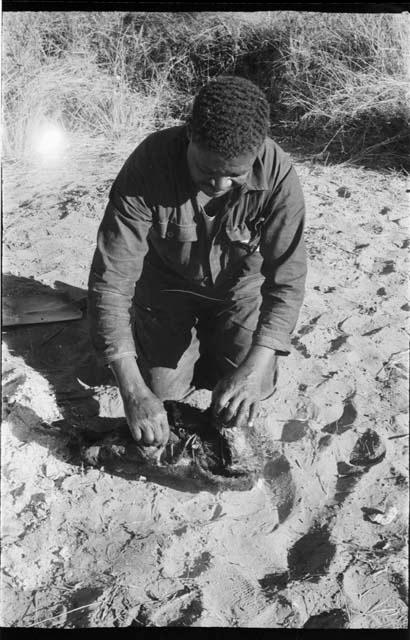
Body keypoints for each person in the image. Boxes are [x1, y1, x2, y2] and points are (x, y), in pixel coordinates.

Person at [88, 75, 307, 449]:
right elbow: (112, 279)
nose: (220, 185)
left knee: (260, 383)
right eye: (207, 172)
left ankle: (215, 348)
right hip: (165, 289)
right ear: (189, 134)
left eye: (234, 175)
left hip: (238, 291)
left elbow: (287, 280)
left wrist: (255, 365)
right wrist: (131, 391)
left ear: (256, 152)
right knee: (159, 389)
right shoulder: (149, 165)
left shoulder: (279, 175)